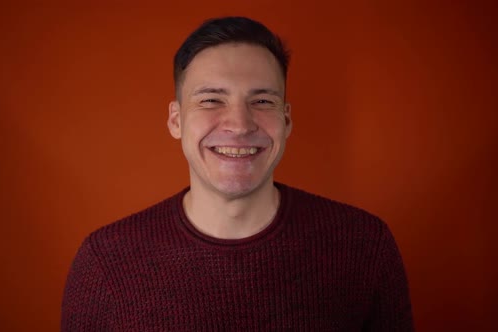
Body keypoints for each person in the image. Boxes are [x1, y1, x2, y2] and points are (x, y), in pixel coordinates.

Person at [61, 16, 413, 331]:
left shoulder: (365, 246)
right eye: (211, 100)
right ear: (175, 120)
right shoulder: (105, 264)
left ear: (286, 120)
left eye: (262, 102)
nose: (240, 125)